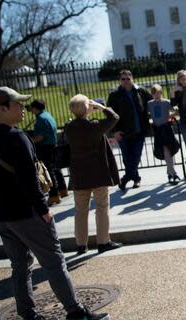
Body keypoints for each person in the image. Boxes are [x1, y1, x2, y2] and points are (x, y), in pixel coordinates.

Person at [0, 86, 108, 320]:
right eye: (17, 104)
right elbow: (29, 180)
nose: (23, 108)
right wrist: (43, 209)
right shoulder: (18, 137)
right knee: (54, 262)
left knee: (20, 266)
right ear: (3, 108)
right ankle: (76, 312)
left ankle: (28, 314)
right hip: (27, 213)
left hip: (2, 216)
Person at [65, 94, 123, 256]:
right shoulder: (94, 126)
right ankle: (103, 241)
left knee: (80, 211)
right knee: (102, 208)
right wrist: (102, 107)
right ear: (86, 108)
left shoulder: (69, 127)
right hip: (98, 172)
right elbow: (114, 117)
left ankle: (81, 245)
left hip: (79, 174)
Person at [107, 69, 152, 190]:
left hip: (139, 130)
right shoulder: (114, 94)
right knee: (127, 158)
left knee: (136, 156)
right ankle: (136, 178)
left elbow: (152, 103)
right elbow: (110, 114)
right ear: (119, 80)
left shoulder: (141, 91)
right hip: (123, 132)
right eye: (123, 79)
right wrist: (115, 131)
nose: (126, 81)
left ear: (132, 78)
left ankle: (126, 178)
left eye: (128, 78)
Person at [29, 99, 68, 206]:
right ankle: (63, 189)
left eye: (31, 108)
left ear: (35, 108)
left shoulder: (41, 119)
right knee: (56, 168)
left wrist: (29, 141)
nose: (31, 110)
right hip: (53, 145)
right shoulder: (47, 115)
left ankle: (54, 195)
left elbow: (40, 136)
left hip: (46, 146)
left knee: (49, 171)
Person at [147, 84, 181, 184]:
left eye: (158, 93)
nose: (156, 95)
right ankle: (172, 173)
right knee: (166, 150)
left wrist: (169, 116)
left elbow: (177, 111)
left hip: (166, 128)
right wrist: (151, 120)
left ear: (161, 93)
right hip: (157, 129)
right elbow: (146, 113)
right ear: (152, 94)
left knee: (169, 150)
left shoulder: (166, 102)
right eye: (154, 93)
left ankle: (171, 172)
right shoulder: (150, 104)